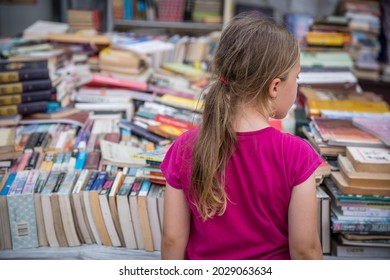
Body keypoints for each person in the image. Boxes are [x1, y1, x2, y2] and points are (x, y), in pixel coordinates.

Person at [160, 12, 324, 260]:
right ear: (275, 86)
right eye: (297, 77)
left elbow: (172, 239)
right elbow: (305, 250)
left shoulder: (185, 146)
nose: (297, 84)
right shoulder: (296, 153)